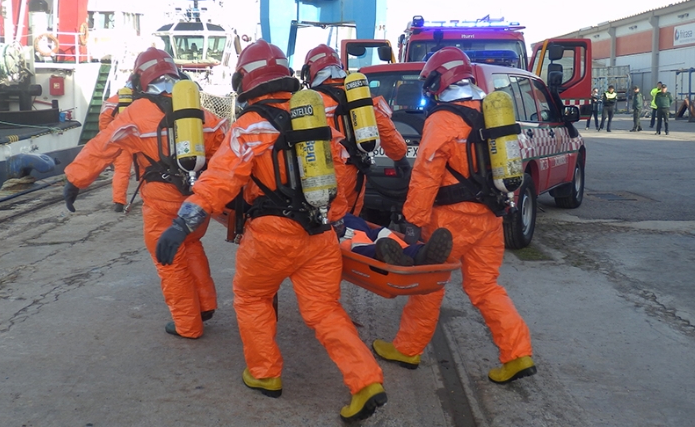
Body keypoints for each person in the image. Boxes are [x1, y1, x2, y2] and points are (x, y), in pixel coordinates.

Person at [154, 40, 388, 422]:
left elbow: (220, 180)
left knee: (251, 298)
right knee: (324, 310)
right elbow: (338, 184)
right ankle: (366, 382)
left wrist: (183, 222)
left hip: (271, 238)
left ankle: (264, 374)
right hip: (319, 235)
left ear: (245, 80)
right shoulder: (317, 120)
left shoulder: (250, 126)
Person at [371, 47, 536, 384]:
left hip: (450, 222)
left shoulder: (442, 119)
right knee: (485, 287)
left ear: (437, 81)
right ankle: (517, 354)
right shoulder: (489, 113)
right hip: (489, 218)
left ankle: (408, 348)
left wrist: (413, 221)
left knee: (429, 286)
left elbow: (426, 173)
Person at [63, 48, 227, 339]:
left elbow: (103, 146)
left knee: (170, 261)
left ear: (140, 80)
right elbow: (223, 152)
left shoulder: (135, 113)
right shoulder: (200, 113)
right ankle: (205, 306)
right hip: (196, 204)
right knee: (191, 247)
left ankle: (188, 325)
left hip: (162, 205)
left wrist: (75, 180)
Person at [301, 44, 408, 214]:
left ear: (310, 71)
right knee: (350, 224)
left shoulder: (309, 103)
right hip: (355, 173)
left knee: (326, 226)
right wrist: (400, 158)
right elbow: (386, 130)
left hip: (321, 177)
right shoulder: (361, 97)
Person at [339, 213, 453, 267]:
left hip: (343, 218)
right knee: (359, 245)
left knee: (383, 235)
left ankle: (420, 253)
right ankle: (411, 254)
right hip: (341, 225)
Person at [97, 92, 133, 212]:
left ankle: (119, 201)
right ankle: (148, 198)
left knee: (121, 172)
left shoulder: (110, 101)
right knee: (147, 170)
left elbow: (103, 123)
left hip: (119, 141)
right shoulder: (140, 98)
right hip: (138, 139)